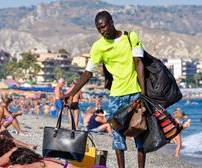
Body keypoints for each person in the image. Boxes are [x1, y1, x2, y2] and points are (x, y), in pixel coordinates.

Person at [62, 11, 146, 168]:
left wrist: (144, 93)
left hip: (135, 94)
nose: (102, 31)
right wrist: (70, 93)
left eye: (103, 27)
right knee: (117, 136)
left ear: (111, 22)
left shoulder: (130, 37)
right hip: (116, 96)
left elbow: (139, 63)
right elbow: (88, 73)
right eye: (98, 29)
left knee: (139, 133)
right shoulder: (98, 47)